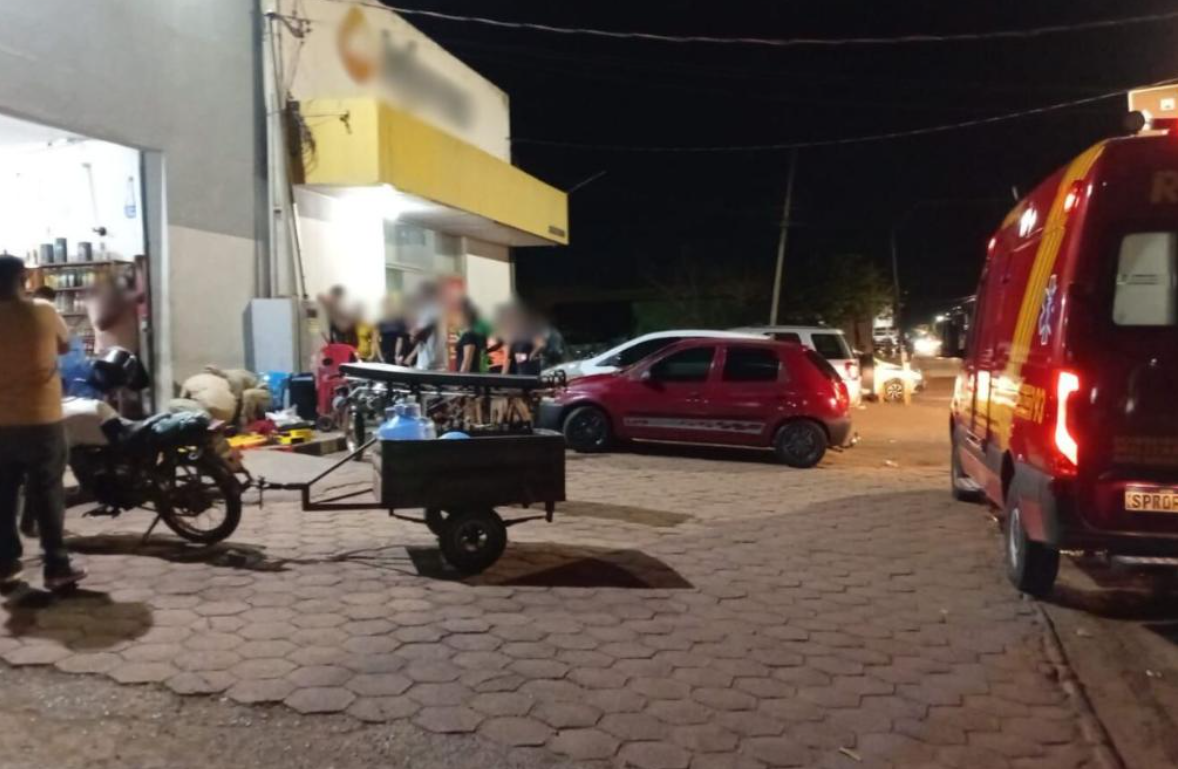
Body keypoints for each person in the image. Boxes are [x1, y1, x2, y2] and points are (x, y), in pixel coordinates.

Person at [0, 255, 86, 590]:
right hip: (41, 420)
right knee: (48, 492)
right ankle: (56, 565)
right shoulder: (44, 311)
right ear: (23, 278)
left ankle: (5, 563)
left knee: (4, 496)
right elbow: (64, 347)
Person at [377, 294, 413, 365]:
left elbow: (400, 339)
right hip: (385, 355)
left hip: (396, 355)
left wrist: (397, 355)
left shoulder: (399, 319)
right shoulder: (381, 320)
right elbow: (376, 340)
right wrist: (381, 357)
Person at [454, 300, 488, 373]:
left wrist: (460, 378)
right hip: (474, 375)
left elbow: (467, 362)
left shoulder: (469, 335)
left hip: (468, 377)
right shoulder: (476, 334)